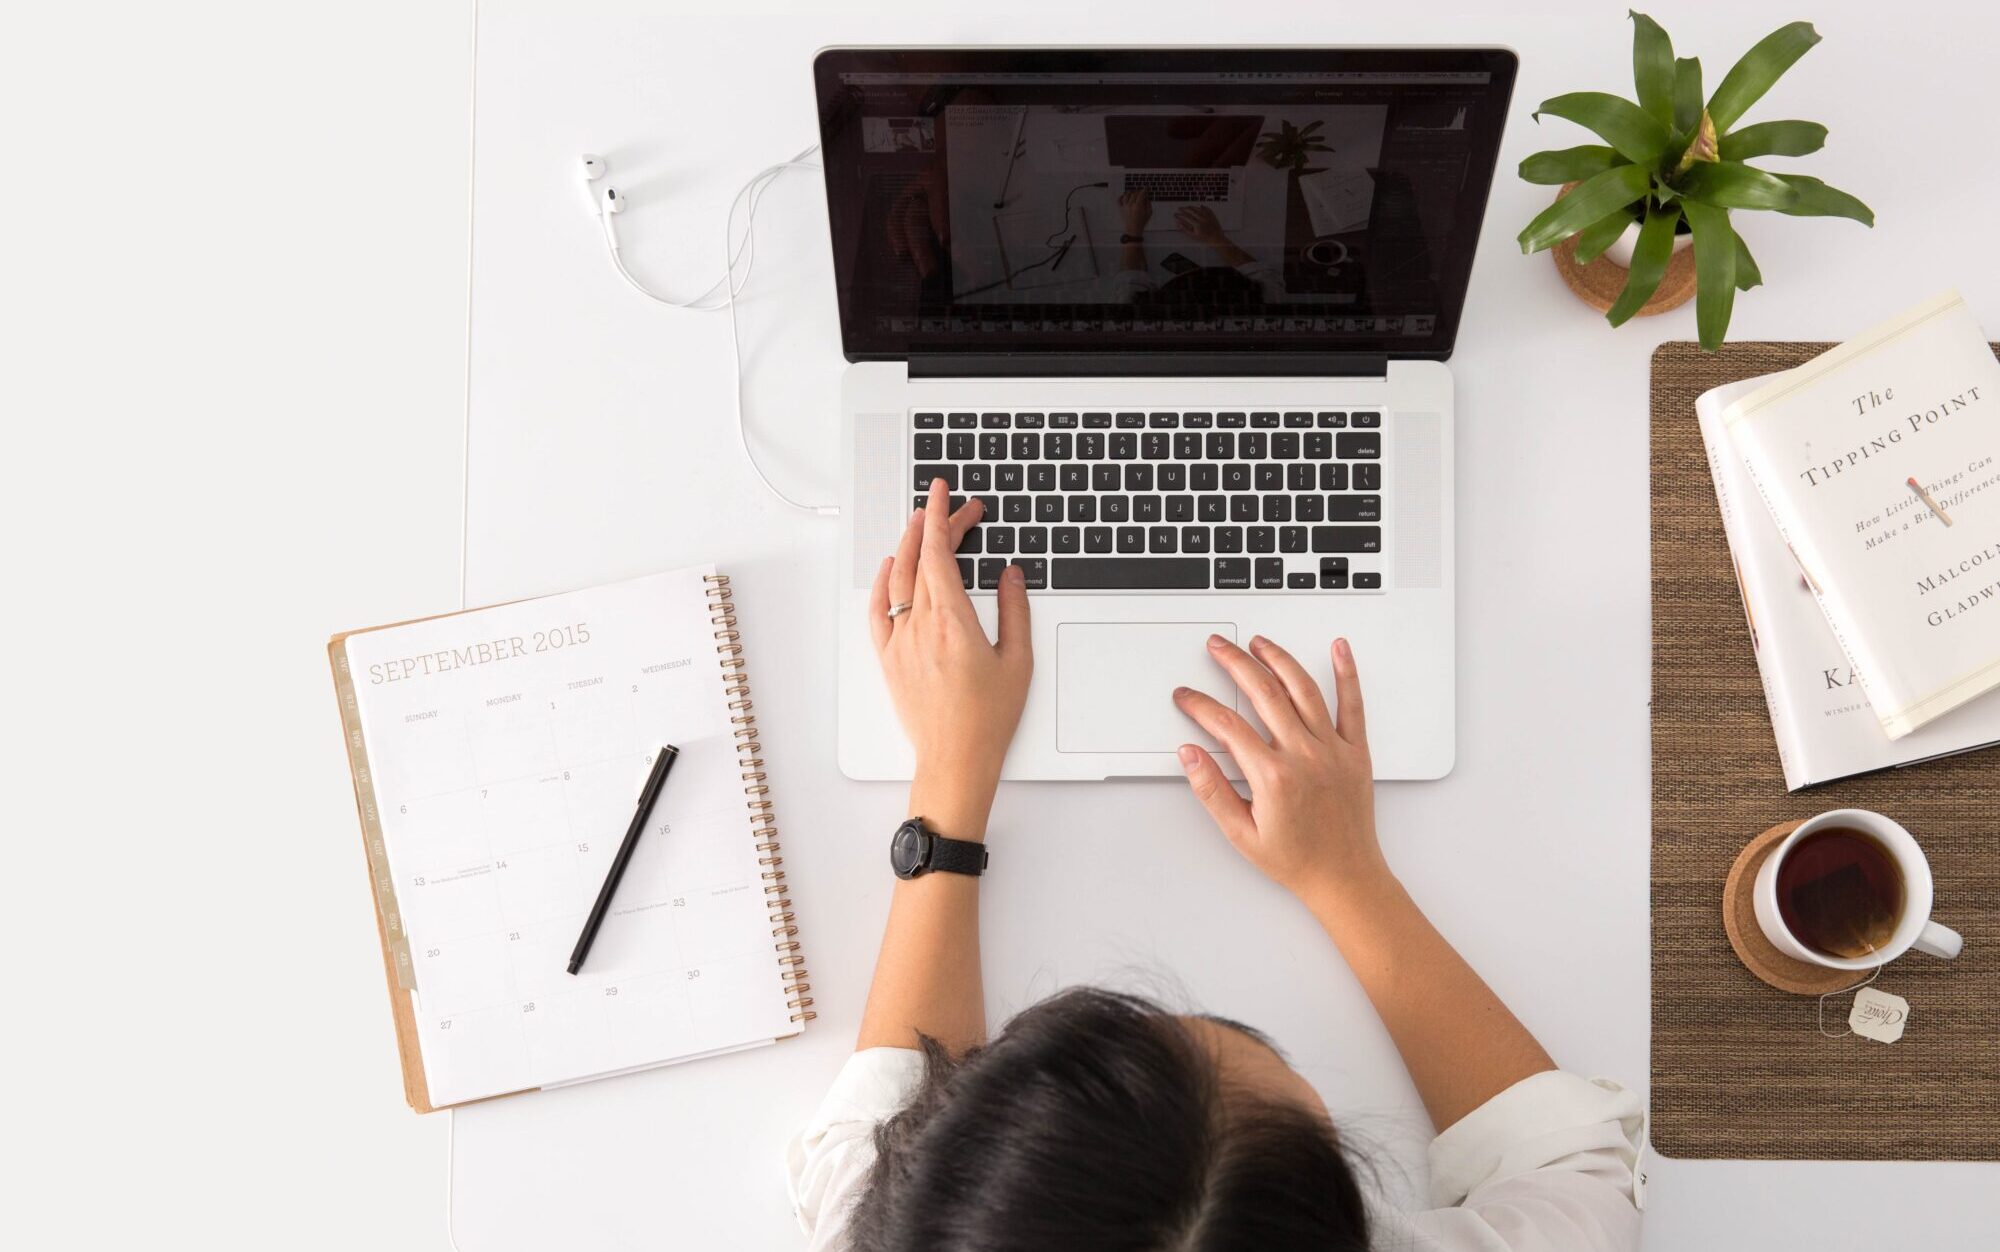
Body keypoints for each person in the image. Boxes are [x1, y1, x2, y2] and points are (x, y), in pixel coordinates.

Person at [786, 478, 1644, 1251]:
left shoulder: (887, 1229)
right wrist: (1349, 878)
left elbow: (865, 1147)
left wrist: (951, 765)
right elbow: (1580, 1172)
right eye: (1309, 1118)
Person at [1110, 189, 1285, 306]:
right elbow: (1265, 276)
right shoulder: (1265, 304)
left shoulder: (1133, 321)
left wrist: (1133, 229)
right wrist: (1216, 237)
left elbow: (1130, 283)